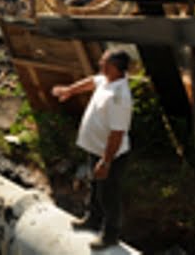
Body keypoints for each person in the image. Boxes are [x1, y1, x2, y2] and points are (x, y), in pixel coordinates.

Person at [51, 49, 133, 249]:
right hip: (96, 150)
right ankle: (92, 220)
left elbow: (117, 134)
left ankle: (110, 235)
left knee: (108, 194)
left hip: (110, 155)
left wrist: (105, 162)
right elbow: (91, 81)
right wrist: (70, 90)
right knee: (96, 187)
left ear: (114, 67)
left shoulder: (119, 97)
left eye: (104, 62)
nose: (100, 64)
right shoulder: (107, 80)